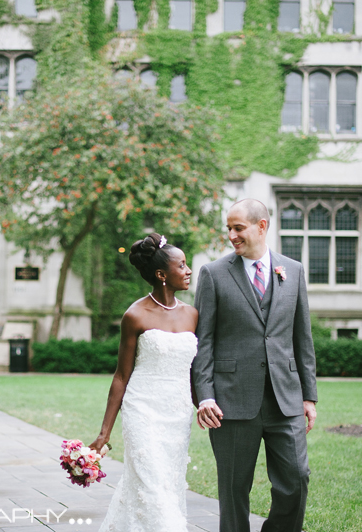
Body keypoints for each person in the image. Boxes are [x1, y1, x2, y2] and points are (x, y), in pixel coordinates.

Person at [191, 198, 318, 532]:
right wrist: (204, 396)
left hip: (285, 399)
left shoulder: (293, 270)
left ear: (261, 226)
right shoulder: (213, 274)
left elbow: (302, 338)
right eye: (229, 229)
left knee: (297, 479)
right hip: (230, 402)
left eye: (238, 228)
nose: (231, 235)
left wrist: (309, 396)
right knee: (233, 490)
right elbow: (203, 341)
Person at [89, 232, 198, 532]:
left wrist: (205, 404)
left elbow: (194, 372)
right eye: (182, 265)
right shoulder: (134, 315)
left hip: (177, 415)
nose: (189, 270)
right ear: (162, 274)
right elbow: (121, 376)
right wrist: (103, 434)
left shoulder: (192, 315)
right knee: (152, 486)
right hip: (143, 411)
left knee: (167, 485)